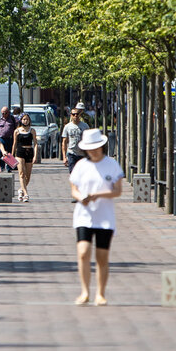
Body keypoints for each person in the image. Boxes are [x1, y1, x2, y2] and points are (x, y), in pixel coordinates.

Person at [69, 128, 124, 306]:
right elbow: (74, 189)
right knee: (83, 252)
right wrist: (81, 198)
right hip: (84, 215)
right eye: (89, 148)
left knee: (102, 256)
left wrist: (98, 195)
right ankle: (85, 291)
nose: (93, 151)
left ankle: (100, 293)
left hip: (104, 217)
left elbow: (117, 191)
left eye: (96, 147)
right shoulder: (81, 166)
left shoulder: (112, 164)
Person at [11, 113, 38, 202]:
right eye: (24, 119)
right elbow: (14, 144)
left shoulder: (32, 130)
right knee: (21, 173)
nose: (25, 121)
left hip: (29, 151)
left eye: (27, 119)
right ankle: (26, 194)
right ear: (21, 120)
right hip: (20, 152)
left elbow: (35, 143)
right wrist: (12, 155)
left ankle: (21, 190)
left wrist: (35, 155)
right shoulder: (17, 131)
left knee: (28, 176)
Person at [62, 103, 89, 174]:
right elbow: (64, 142)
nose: (75, 116)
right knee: (73, 174)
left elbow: (89, 140)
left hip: (82, 154)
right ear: (71, 115)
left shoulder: (85, 126)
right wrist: (64, 157)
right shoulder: (67, 127)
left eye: (77, 114)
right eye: (73, 114)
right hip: (72, 153)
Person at [0, 106, 17, 172]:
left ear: (9, 113)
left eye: (5, 113)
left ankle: (9, 168)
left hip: (10, 138)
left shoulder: (12, 119)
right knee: (1, 153)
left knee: (9, 153)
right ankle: (1, 167)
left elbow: (15, 129)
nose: (4, 115)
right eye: (3, 113)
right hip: (2, 138)